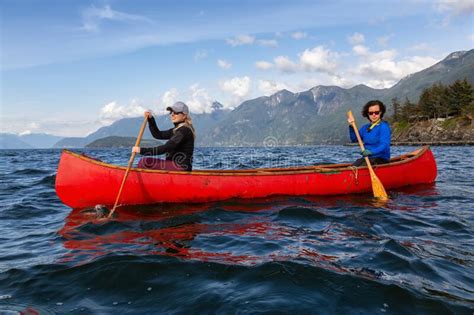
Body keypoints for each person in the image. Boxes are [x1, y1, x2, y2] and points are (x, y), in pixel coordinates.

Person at [132, 101, 195, 171]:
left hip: (180, 168)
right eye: (171, 112)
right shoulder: (176, 130)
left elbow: (166, 148)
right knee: (144, 163)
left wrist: (141, 150)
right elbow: (157, 134)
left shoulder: (183, 131)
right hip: (174, 165)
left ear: (184, 115)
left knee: (144, 162)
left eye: (176, 112)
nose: (172, 114)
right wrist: (151, 119)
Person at [348, 100, 391, 167]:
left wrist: (371, 152)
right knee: (353, 167)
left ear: (380, 113)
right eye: (371, 113)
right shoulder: (365, 128)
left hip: (381, 159)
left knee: (364, 166)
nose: (374, 115)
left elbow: (384, 145)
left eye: (376, 112)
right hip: (367, 158)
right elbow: (354, 139)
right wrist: (351, 126)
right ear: (367, 114)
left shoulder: (384, 127)